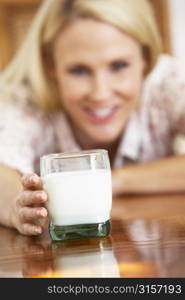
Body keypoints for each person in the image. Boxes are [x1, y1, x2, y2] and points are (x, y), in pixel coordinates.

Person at [0, 0, 185, 236]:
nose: (101, 93)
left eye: (118, 66)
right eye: (79, 70)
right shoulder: (23, 100)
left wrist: (113, 182)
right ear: (51, 66)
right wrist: (17, 205)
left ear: (145, 58)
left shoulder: (167, 82)